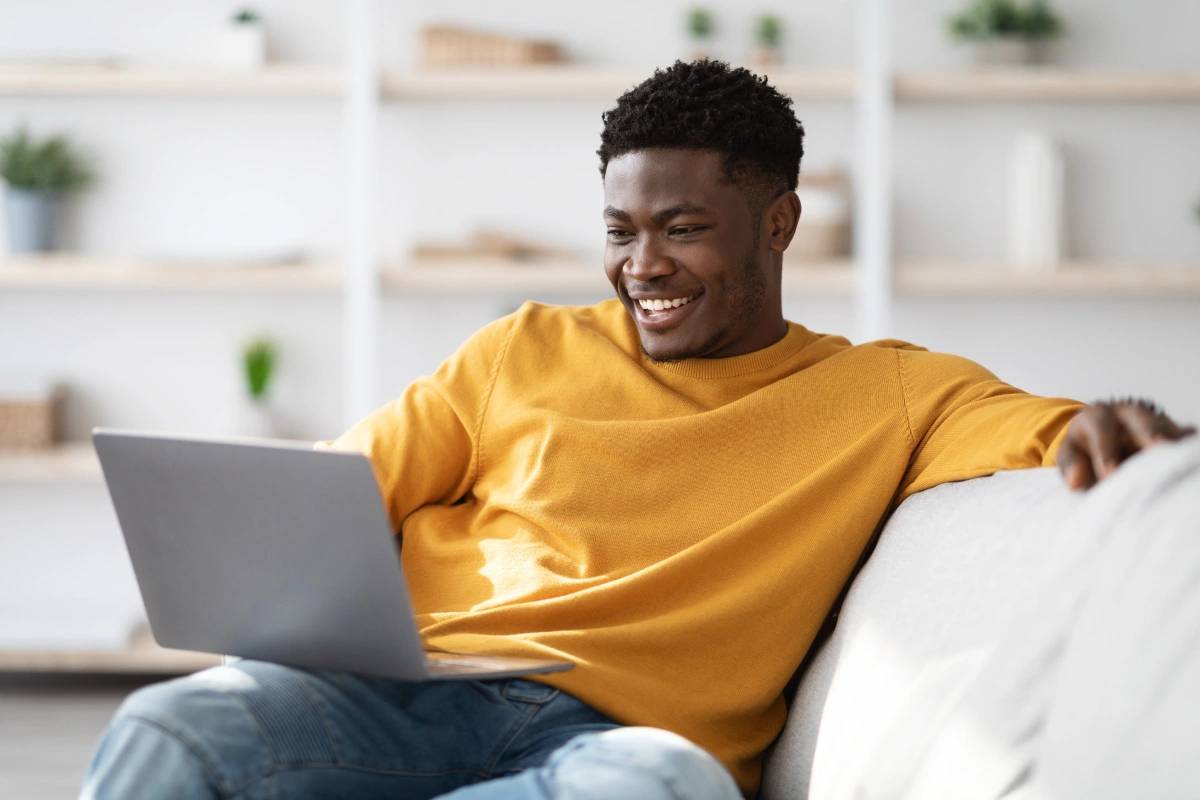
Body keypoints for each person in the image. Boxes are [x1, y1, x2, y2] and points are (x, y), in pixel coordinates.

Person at [80, 60, 1193, 800]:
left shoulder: (892, 393)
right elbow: (336, 493)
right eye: (620, 230)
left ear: (778, 221)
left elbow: (1051, 430)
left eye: (682, 228)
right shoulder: (521, 346)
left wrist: (1115, 419)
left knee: (670, 788)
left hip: (617, 745)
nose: (642, 266)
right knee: (170, 729)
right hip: (416, 692)